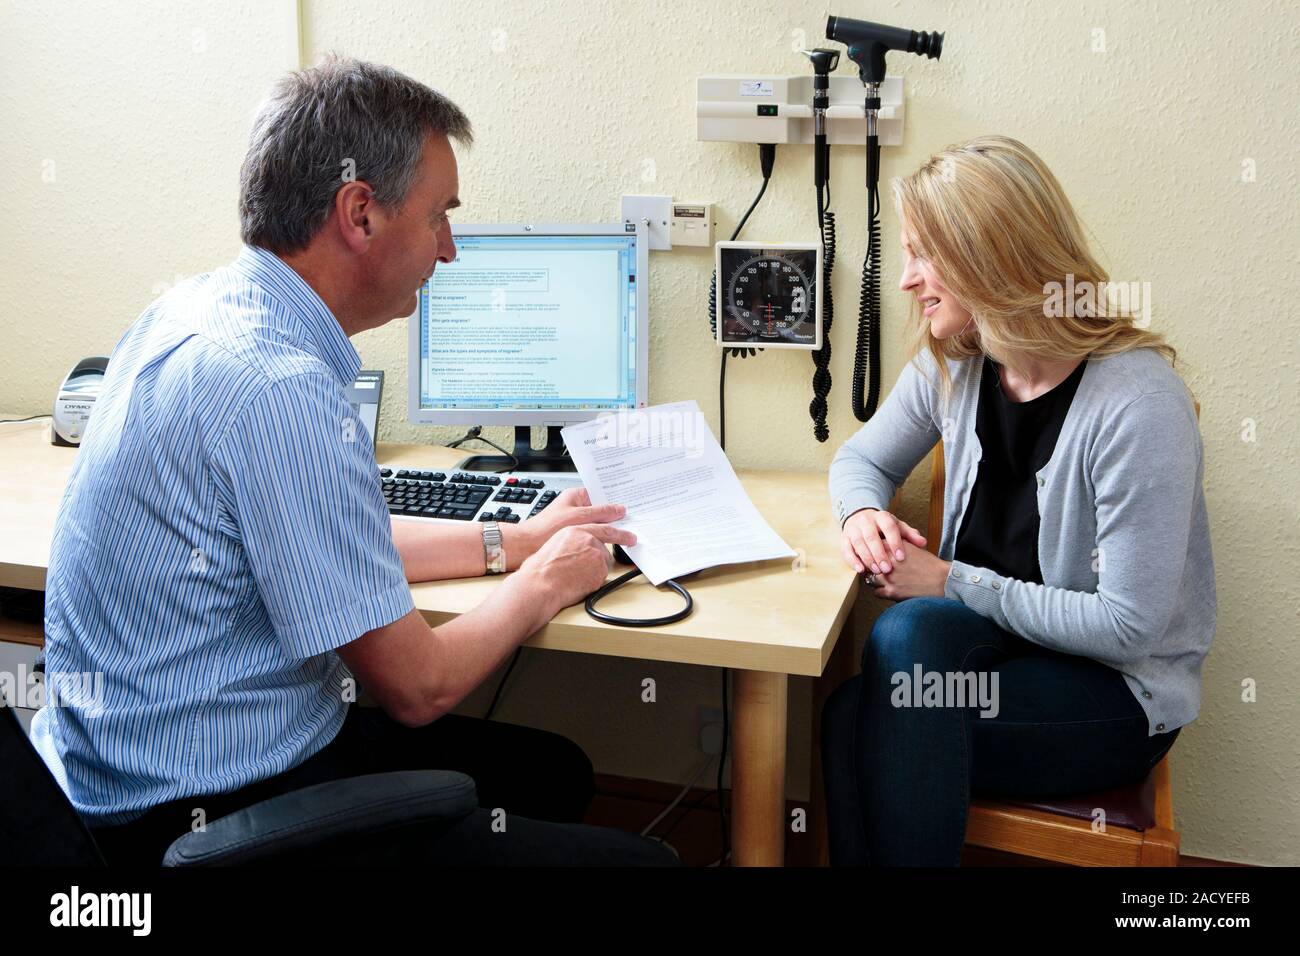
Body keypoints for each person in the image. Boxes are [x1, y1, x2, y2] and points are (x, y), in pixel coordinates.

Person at [30, 57, 674, 866]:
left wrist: (515, 541)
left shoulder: (195, 308)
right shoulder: (279, 388)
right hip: (212, 811)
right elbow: (419, 689)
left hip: (112, 784)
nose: (448, 250)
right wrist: (547, 581)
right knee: (645, 862)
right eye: (440, 215)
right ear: (359, 212)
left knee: (553, 772)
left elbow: (326, 542)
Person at [822, 135, 1215, 866]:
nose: (906, 280)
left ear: (988, 256)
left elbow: (1128, 628)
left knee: (867, 707)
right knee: (889, 669)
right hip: (998, 659)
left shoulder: (1136, 404)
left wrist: (948, 581)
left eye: (922, 255)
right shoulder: (959, 365)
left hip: (1111, 698)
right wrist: (862, 513)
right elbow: (860, 458)